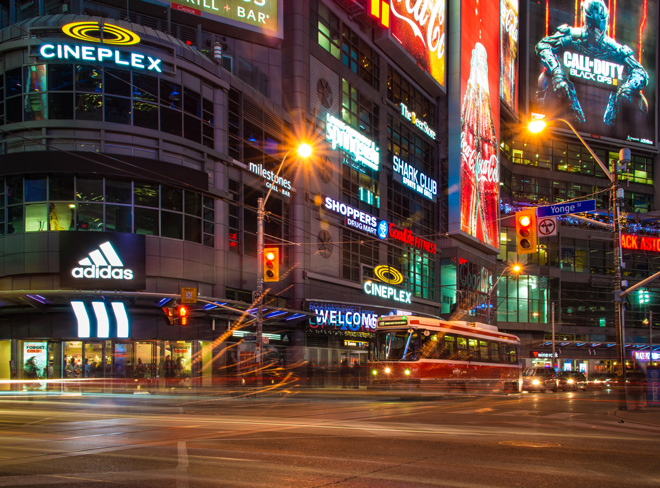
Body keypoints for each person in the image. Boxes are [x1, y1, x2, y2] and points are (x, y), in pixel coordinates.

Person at [535, 0, 648, 126]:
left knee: (639, 99)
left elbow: (640, 72)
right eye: (592, 26)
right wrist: (557, 73)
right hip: (568, 107)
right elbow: (543, 46)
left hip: (606, 115)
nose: (595, 33)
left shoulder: (614, 49)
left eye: (598, 27)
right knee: (545, 79)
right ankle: (545, 123)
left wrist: (628, 88)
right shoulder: (572, 36)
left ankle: (632, 138)